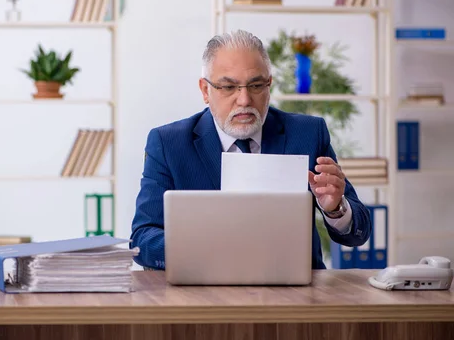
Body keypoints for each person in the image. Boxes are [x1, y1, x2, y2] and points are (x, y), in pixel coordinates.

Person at [130, 29, 372, 270]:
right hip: (203, 295)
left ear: (269, 85)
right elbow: (142, 239)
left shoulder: (307, 134)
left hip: (294, 296)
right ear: (206, 91)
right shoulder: (169, 144)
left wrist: (335, 208)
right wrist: (208, 250)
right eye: (228, 87)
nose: (244, 100)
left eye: (256, 85)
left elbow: (358, 233)